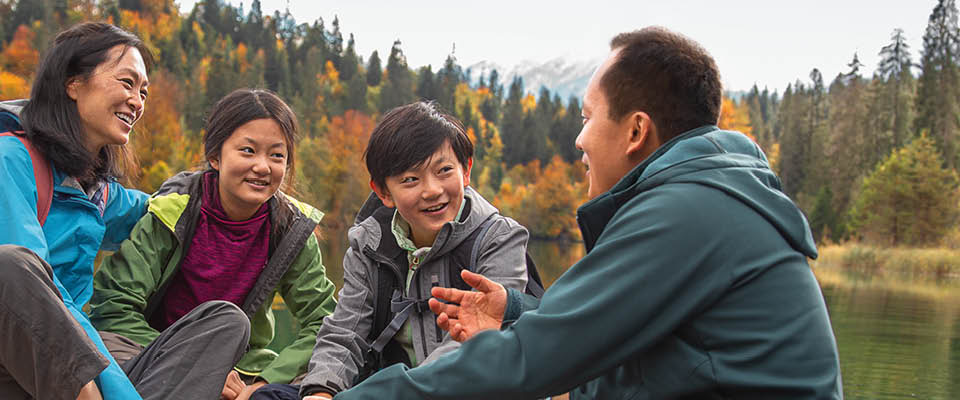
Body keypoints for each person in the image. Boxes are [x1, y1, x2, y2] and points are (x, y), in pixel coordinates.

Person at [337, 26, 843, 399]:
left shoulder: (686, 214)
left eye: (587, 116)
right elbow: (620, 340)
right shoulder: (703, 197)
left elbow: (530, 361)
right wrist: (518, 312)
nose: (578, 139)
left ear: (635, 131)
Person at [0, 22, 250, 400]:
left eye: (143, 92)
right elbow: (23, 297)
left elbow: (156, 211)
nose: (138, 102)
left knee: (223, 322)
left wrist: (220, 186)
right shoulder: (2, 162)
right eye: (127, 83)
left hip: (63, 380)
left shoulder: (93, 192)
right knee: (9, 265)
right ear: (72, 83)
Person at [250, 101, 533, 400]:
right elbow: (346, 333)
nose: (432, 190)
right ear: (384, 192)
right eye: (410, 179)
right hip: (380, 386)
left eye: (444, 170)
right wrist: (322, 390)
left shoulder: (498, 238)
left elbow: (478, 345)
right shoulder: (369, 243)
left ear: (466, 170)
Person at [90, 88, 338, 399]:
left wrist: (263, 381)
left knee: (328, 375)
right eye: (248, 151)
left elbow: (324, 321)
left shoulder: (290, 227)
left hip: (240, 371)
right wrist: (195, 366)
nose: (262, 167)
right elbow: (114, 306)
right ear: (215, 156)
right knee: (103, 351)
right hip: (152, 352)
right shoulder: (173, 211)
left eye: (277, 155)